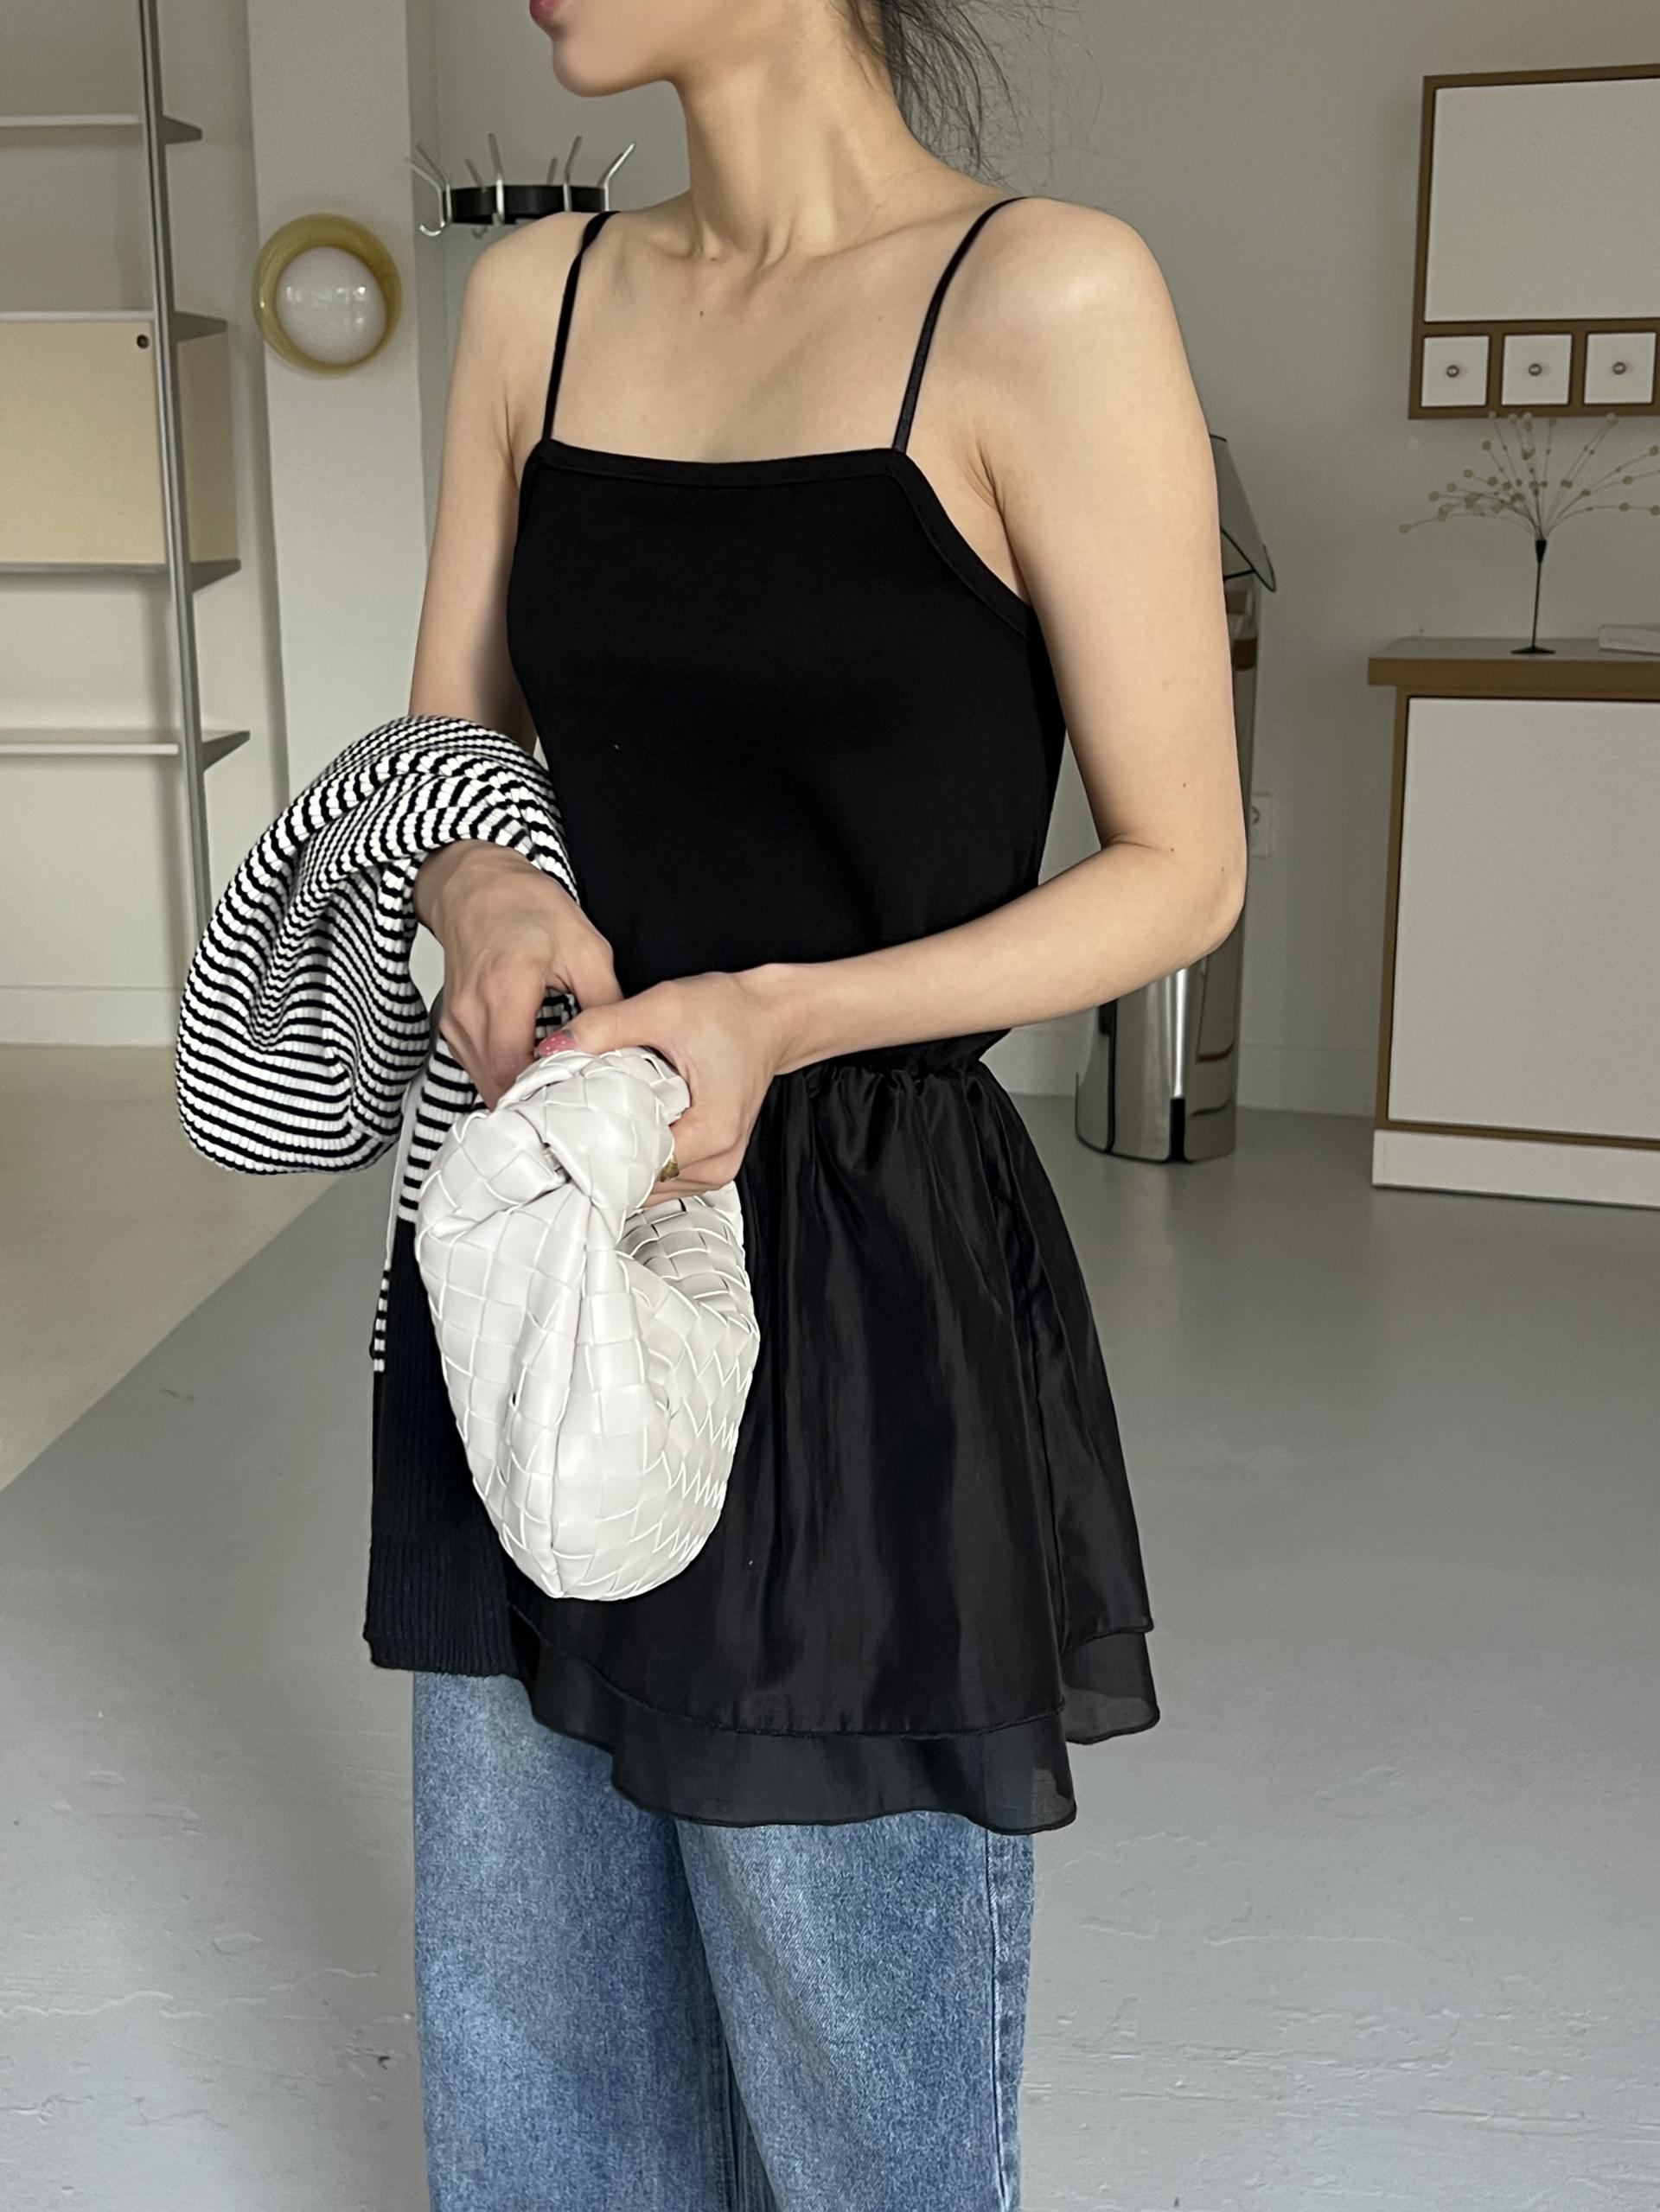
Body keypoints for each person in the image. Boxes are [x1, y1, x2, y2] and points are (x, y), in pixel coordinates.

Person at [397, 0, 1242, 2204]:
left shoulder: (1046, 294)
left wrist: (779, 1009)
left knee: (865, 2099)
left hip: (859, 1270)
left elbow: (1182, 866)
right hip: (552, 1224)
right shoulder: (534, 298)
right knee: (536, 2049)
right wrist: (485, 885)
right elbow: (452, 751)